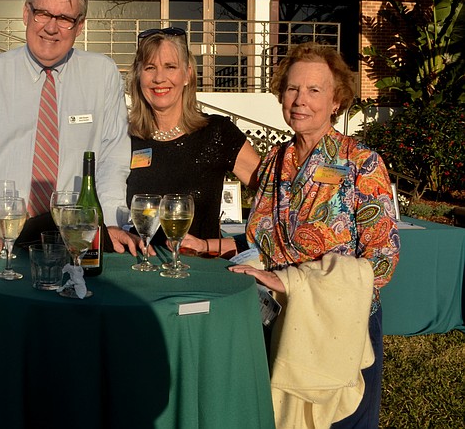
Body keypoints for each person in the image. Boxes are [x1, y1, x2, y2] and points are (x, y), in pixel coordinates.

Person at [229, 42, 400, 429]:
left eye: (314, 90)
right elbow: (263, 238)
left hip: (340, 325)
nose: (299, 100)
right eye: (291, 89)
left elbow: (382, 260)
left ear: (336, 100)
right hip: (279, 319)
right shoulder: (275, 160)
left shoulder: (362, 163)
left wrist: (295, 282)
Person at [0, 0, 136, 254]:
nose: (51, 28)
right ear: (26, 14)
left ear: (80, 27)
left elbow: (112, 158)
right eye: (43, 13)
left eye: (64, 19)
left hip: (70, 239)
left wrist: (113, 223)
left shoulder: (102, 75)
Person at [126, 27, 260, 255]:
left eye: (170, 67)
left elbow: (277, 202)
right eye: (150, 68)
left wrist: (228, 245)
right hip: (141, 272)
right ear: (139, 75)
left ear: (187, 74)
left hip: (202, 274)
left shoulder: (217, 133)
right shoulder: (124, 139)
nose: (159, 78)